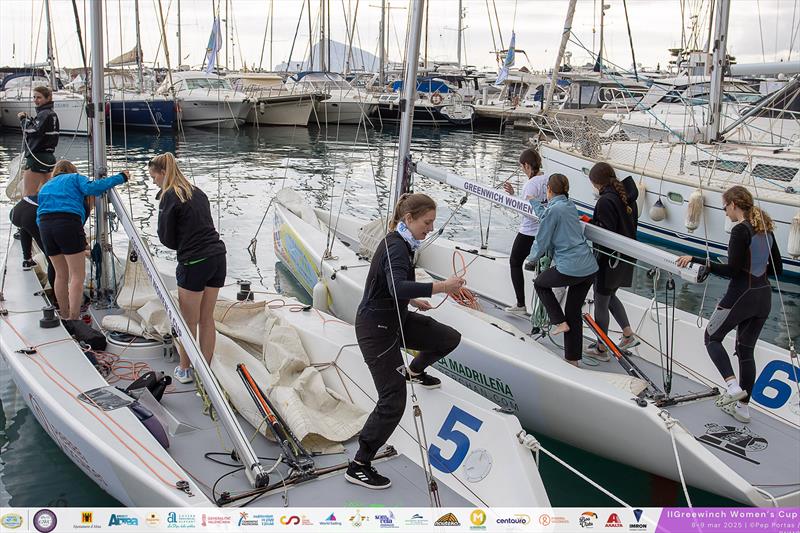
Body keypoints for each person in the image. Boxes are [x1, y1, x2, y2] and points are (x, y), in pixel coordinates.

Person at [346, 193, 465, 489]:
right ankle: (359, 463)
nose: (430, 227)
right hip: (376, 329)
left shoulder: (404, 243)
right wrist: (441, 287)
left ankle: (415, 371)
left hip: (396, 319)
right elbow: (396, 285)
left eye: (433, 222)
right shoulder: (395, 247)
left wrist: (412, 299)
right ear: (409, 219)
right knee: (393, 400)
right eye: (427, 222)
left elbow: (392, 287)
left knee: (449, 338)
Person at [677, 186, 782, 424]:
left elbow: (732, 271)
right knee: (746, 351)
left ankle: (732, 386)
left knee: (711, 337)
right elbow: (778, 268)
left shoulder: (739, 231)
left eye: (725, 207)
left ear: (734, 204)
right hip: (763, 296)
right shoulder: (766, 229)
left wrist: (701, 261)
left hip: (740, 295)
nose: (725, 212)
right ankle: (743, 410)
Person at [149, 153, 227, 385]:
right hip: (218, 258)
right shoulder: (198, 192)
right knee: (206, 318)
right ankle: (207, 370)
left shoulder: (169, 196)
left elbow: (166, 239)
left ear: (163, 174)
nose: (153, 182)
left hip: (194, 263)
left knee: (187, 322)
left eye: (154, 177)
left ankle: (184, 370)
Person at [37, 161, 129, 320]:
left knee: (60, 274)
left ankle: (64, 315)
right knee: (77, 276)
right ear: (72, 170)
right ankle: (73, 319)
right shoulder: (74, 178)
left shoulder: (46, 186)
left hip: (45, 227)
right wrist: (121, 177)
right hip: (67, 222)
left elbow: (40, 212)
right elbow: (92, 188)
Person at [529, 174, 598, 367]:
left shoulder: (555, 209)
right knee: (573, 312)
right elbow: (547, 215)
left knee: (540, 283)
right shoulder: (568, 205)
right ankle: (572, 359)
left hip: (571, 267)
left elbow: (542, 239)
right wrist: (534, 203)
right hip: (588, 268)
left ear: (549, 190)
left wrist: (531, 259)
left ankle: (558, 322)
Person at [584, 162, 640, 361]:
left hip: (610, 260)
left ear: (596, 183)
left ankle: (601, 348)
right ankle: (627, 334)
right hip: (625, 258)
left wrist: (588, 223)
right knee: (610, 297)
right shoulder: (627, 198)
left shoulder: (606, 201)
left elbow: (605, 231)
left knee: (600, 300)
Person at [503, 148, 548, 315]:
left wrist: (511, 199)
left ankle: (521, 304)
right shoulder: (548, 179)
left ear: (527, 165)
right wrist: (515, 195)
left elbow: (527, 211)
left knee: (515, 262)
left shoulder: (530, 184)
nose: (522, 170)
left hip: (528, 232)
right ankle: (543, 310)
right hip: (544, 232)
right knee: (542, 269)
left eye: (522, 167)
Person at [18, 86, 59, 195]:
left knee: (28, 194)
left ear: (48, 98)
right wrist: (30, 120)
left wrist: (23, 120)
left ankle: (29, 212)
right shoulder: (52, 114)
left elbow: (32, 130)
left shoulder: (44, 113)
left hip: (37, 158)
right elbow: (42, 130)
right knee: (47, 193)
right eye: (34, 97)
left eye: (39, 97)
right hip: (49, 158)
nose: (35, 100)